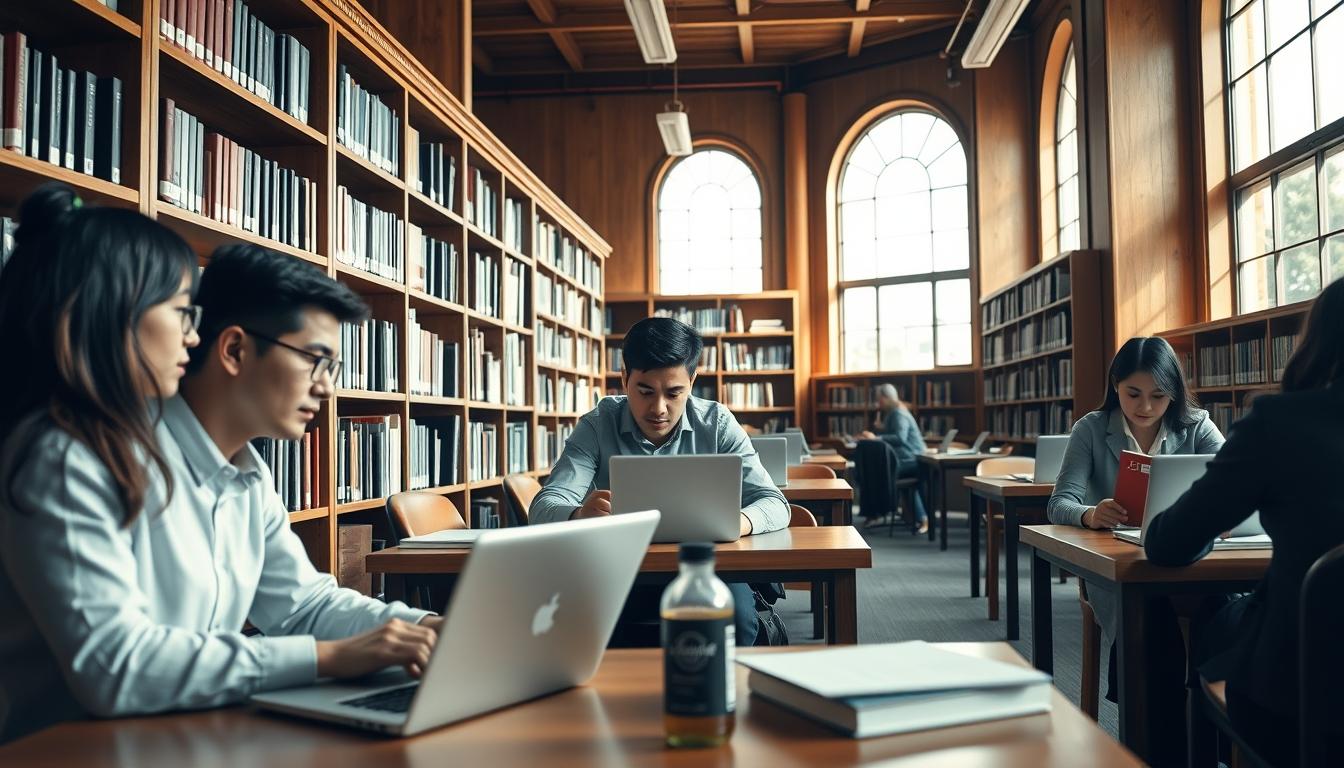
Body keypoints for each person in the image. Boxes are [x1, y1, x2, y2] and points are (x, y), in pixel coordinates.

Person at [0, 197, 432, 744]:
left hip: (184, 738)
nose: (191, 335)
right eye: (182, 313)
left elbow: (302, 605)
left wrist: (421, 630)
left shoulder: (247, 472)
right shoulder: (69, 457)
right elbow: (117, 664)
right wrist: (329, 658)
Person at [1145, 277, 1344, 767]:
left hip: (1302, 690)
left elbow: (1168, 543)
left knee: (1214, 616)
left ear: (1318, 341)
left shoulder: (1280, 423)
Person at [530, 316, 789, 645]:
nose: (659, 408)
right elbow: (543, 507)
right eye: (645, 391)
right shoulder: (597, 424)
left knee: (737, 615)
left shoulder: (718, 423)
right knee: (591, 623)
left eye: (674, 393)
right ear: (624, 378)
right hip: (621, 570)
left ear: (692, 382)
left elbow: (775, 502)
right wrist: (578, 514)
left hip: (708, 568)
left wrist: (740, 521)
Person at [1046, 335, 1224, 766]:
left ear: (1174, 393)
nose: (1145, 407)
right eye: (1133, 394)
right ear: (1115, 385)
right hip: (1122, 568)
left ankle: (1210, 750)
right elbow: (1059, 503)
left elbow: (1234, 480)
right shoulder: (1091, 428)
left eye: (1159, 396)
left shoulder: (1197, 425)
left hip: (1190, 563)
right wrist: (1091, 514)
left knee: (1223, 622)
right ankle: (1157, 755)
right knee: (1152, 630)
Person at [857, 383, 928, 533]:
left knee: (877, 473)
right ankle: (884, 513)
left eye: (880, 400)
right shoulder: (895, 413)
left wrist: (876, 437)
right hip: (906, 459)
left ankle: (919, 518)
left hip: (912, 459)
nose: (879, 404)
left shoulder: (898, 414)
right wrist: (881, 428)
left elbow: (900, 438)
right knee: (877, 471)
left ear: (886, 398)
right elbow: (896, 432)